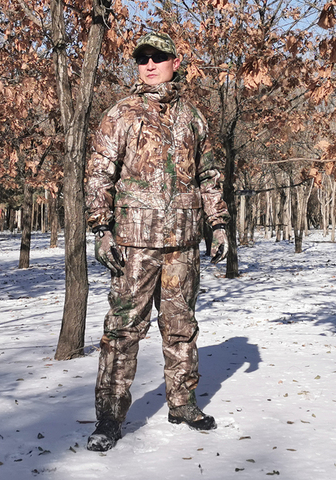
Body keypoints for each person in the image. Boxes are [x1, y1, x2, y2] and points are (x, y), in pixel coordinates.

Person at [85, 32, 229, 452]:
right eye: (142, 58)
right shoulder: (121, 114)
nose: (148, 64)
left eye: (157, 57)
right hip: (134, 244)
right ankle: (109, 419)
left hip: (182, 243)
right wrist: (101, 229)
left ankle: (182, 404)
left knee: (181, 328)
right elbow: (99, 175)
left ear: (174, 62)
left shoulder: (193, 117)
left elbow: (208, 176)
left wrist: (217, 225)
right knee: (123, 331)